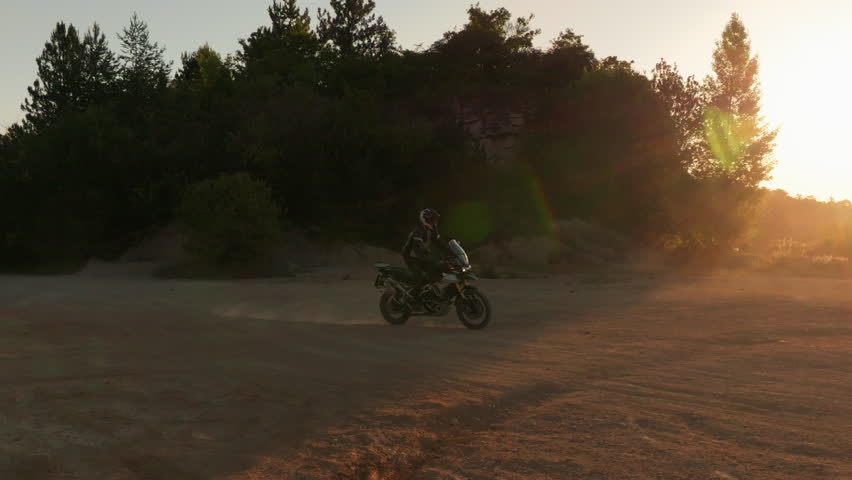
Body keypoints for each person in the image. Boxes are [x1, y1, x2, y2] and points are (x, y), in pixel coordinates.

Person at [402, 208, 450, 296]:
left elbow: (439, 243)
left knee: (435, 272)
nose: (435, 222)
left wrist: (450, 249)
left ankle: (429, 294)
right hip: (411, 256)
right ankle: (413, 298)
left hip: (421, 256)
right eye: (433, 220)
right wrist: (426, 251)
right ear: (425, 219)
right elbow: (418, 244)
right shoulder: (419, 230)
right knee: (420, 278)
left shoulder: (432, 230)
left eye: (435, 220)